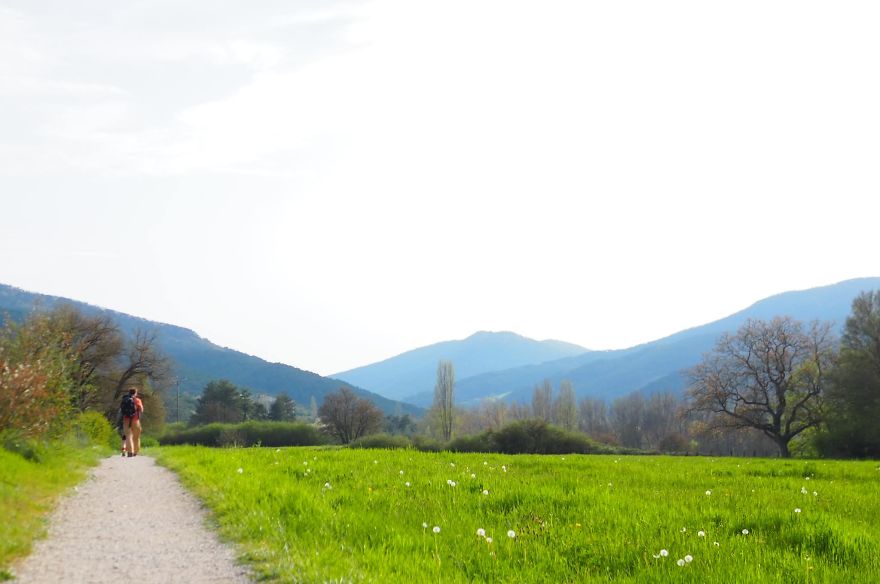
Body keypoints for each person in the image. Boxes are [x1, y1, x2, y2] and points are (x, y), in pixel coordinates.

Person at [121, 386, 145, 457]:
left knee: (128, 436)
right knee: (136, 437)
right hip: (135, 420)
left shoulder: (125, 399)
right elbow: (141, 410)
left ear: (129, 392)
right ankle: (135, 452)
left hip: (126, 420)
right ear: (136, 393)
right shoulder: (137, 400)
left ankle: (129, 452)